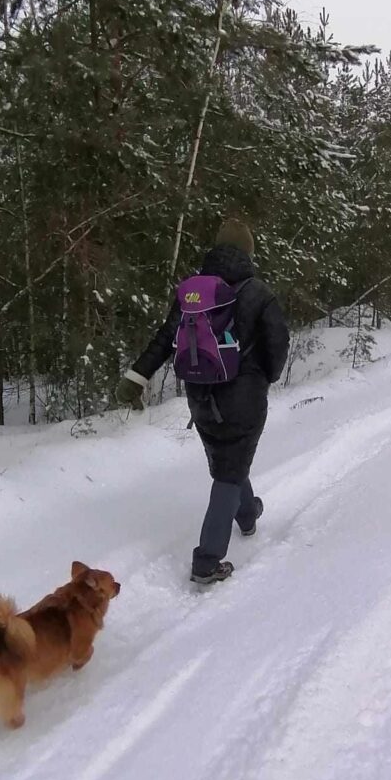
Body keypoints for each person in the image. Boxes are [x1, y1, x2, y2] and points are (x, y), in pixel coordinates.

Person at [116, 218, 290, 584]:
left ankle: (247, 515)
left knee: (229, 460)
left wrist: (136, 377)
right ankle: (207, 560)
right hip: (244, 397)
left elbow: (166, 338)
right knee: (229, 470)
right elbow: (277, 344)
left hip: (200, 395)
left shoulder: (192, 293)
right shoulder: (259, 292)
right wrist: (266, 377)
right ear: (248, 252)